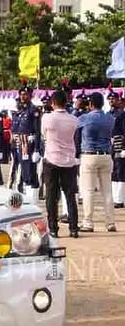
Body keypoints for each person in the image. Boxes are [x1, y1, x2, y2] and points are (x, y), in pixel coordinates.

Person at [41, 89, 79, 238]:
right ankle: (74, 228)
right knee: (70, 196)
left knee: (51, 196)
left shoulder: (47, 118)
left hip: (52, 159)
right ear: (66, 102)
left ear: (52, 103)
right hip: (69, 160)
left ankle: (53, 228)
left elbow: (44, 134)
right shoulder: (74, 119)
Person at [76, 91, 116, 233]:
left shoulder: (85, 118)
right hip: (106, 155)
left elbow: (75, 125)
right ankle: (110, 222)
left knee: (88, 191)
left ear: (90, 104)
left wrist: (78, 108)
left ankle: (88, 222)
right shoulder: (110, 119)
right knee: (107, 191)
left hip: (89, 155)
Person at [13, 82, 42, 201]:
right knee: (24, 170)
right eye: (21, 94)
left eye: (25, 94)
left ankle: (33, 198)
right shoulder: (21, 110)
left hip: (30, 144)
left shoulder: (33, 110)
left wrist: (36, 149)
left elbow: (37, 130)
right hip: (22, 144)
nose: (23, 97)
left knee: (31, 171)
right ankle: (27, 195)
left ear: (30, 95)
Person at [107, 89, 125, 209]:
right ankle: (116, 197)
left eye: (114, 98)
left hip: (120, 146)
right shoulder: (109, 114)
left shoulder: (121, 115)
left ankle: (119, 198)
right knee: (114, 172)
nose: (112, 101)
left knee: (121, 172)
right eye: (110, 98)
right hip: (113, 146)